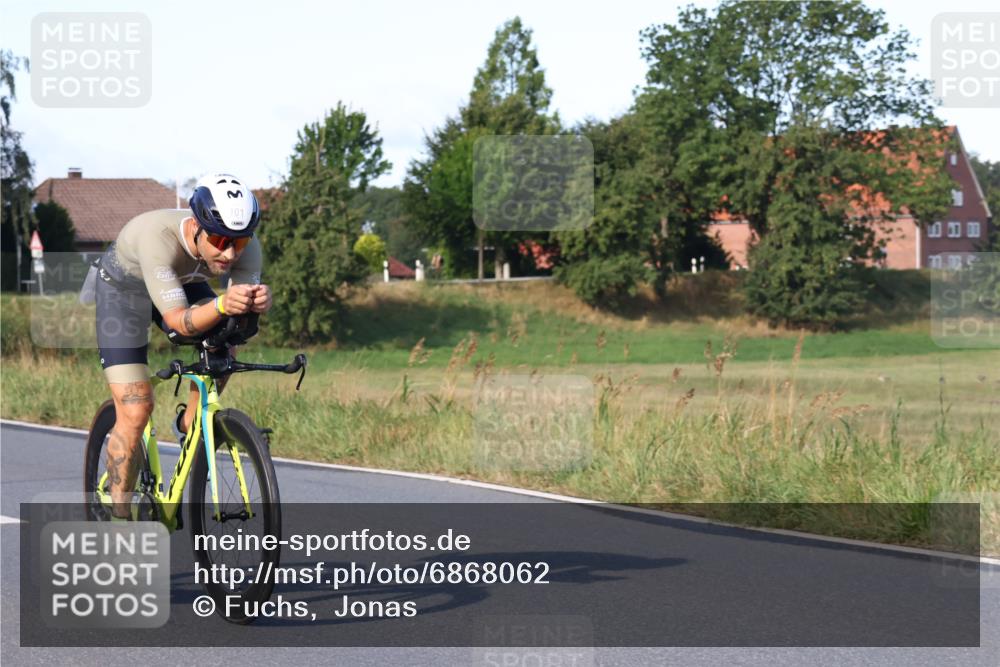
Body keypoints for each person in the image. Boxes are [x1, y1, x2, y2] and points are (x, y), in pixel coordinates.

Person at [94, 173, 272, 519]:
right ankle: (118, 518)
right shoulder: (157, 238)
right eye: (220, 240)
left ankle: (192, 424)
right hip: (125, 293)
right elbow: (178, 321)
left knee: (226, 340)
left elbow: (242, 325)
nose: (230, 253)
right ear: (196, 226)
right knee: (135, 409)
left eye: (241, 242)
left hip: (181, 284)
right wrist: (221, 304)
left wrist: (258, 302)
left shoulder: (243, 248)